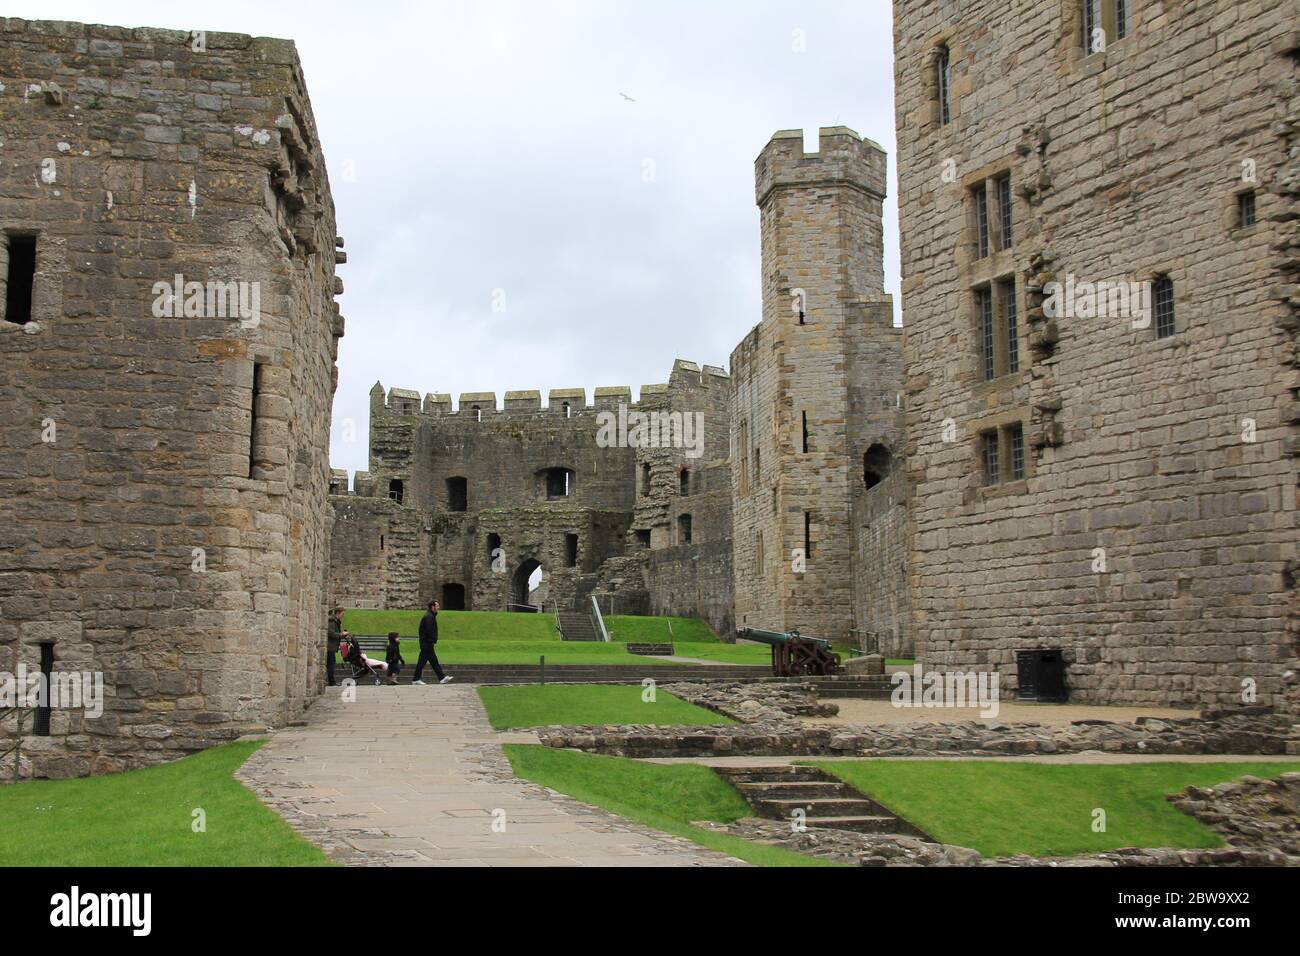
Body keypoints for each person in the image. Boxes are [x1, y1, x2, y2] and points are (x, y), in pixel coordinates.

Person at [412, 600, 454, 685]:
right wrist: (431, 640)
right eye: (437, 606)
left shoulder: (430, 616)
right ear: (433, 607)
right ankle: (417, 679)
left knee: (431, 661)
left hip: (427, 643)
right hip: (427, 643)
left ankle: (441, 678)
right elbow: (429, 630)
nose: (439, 607)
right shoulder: (429, 617)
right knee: (425, 661)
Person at [326, 607, 349, 687]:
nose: (343, 616)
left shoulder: (335, 621)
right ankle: (331, 682)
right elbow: (331, 633)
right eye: (342, 614)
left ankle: (331, 681)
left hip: (331, 646)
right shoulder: (332, 621)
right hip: (330, 647)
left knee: (331, 664)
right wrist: (341, 634)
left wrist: (342, 634)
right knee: (331, 664)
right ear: (338, 613)